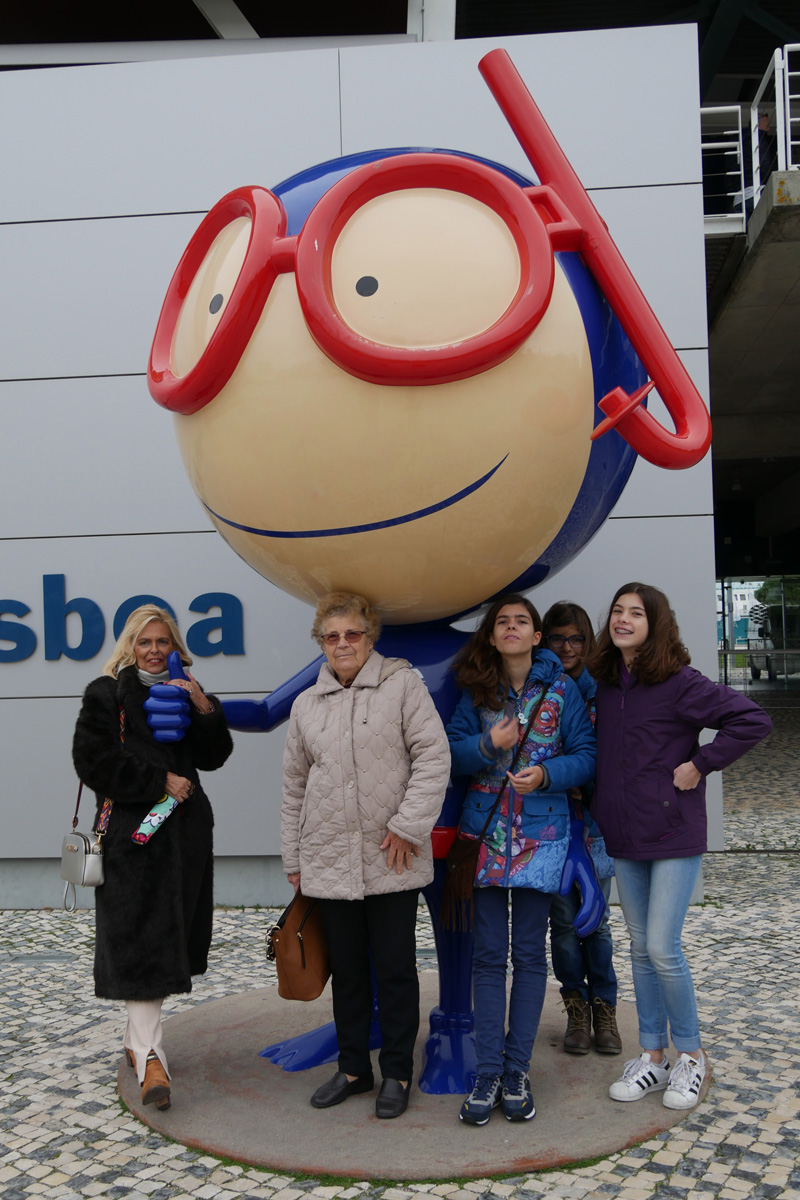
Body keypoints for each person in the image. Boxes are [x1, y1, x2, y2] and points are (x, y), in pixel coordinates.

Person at [589, 583, 772, 1110]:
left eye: (636, 613)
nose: (623, 619)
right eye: (617, 611)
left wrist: (701, 764)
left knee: (662, 948)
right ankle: (652, 1056)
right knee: (639, 947)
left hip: (673, 832)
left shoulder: (679, 683)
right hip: (625, 834)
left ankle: (690, 1055)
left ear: (656, 624)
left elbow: (753, 720)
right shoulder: (605, 685)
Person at [281, 591, 450, 1119]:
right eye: (331, 636)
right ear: (321, 644)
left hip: (391, 857)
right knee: (349, 971)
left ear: (370, 637)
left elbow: (433, 755)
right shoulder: (307, 705)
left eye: (352, 634)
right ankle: (354, 1068)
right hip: (329, 858)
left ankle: (396, 1072)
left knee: (395, 970)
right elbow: (294, 785)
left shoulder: (402, 685)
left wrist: (407, 825)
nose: (342, 644)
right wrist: (293, 857)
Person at [72, 604, 233, 1111]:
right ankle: (151, 1061)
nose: (155, 650)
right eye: (145, 642)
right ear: (130, 646)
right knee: (142, 944)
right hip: (133, 843)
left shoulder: (187, 690)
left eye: (163, 641)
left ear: (176, 647)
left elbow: (215, 756)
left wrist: (203, 705)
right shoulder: (106, 694)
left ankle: (135, 1040)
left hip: (183, 841)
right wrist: (159, 780)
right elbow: (92, 761)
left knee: (165, 942)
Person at [446, 594, 596, 1126]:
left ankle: (517, 1071)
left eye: (522, 621)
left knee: (530, 956)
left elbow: (587, 755)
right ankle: (488, 1072)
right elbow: (449, 753)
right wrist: (488, 744)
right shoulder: (477, 690)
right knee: (488, 957)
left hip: (542, 833)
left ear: (536, 636)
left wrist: (548, 774)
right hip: (485, 836)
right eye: (502, 622)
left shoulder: (562, 689)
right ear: (492, 636)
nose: (511, 628)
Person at [542, 601, 620, 1056]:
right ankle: (576, 1009)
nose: (568, 647)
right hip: (551, 826)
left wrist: (581, 778)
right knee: (564, 925)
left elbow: (613, 758)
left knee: (597, 922)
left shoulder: (604, 691)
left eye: (576, 639)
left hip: (594, 826)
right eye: (558, 638)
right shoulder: (539, 691)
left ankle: (605, 1008)